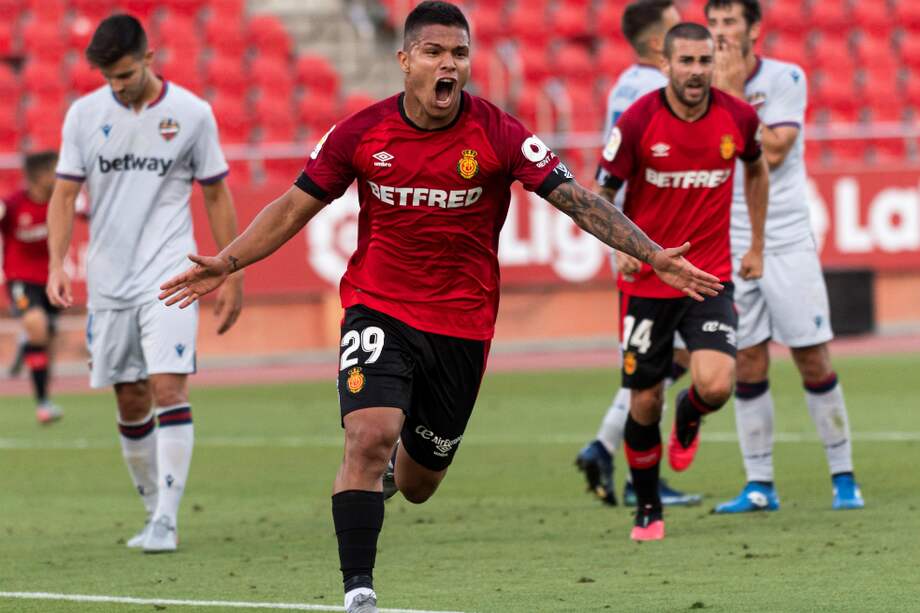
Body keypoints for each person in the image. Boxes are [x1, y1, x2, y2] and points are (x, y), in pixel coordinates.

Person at [158, 3, 722, 610]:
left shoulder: (500, 134)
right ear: (405, 62)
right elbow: (295, 207)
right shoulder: (361, 132)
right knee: (368, 436)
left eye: (458, 53)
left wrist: (653, 253)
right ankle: (359, 589)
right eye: (434, 52)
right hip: (379, 307)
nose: (448, 65)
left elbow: (578, 200)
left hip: (463, 325)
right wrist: (230, 260)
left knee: (419, 483)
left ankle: (402, 466)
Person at [46, 14, 244, 553]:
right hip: (109, 282)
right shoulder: (83, 115)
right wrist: (57, 263)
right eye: (110, 78)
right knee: (131, 399)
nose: (118, 85)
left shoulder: (192, 114)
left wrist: (230, 269)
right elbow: (63, 195)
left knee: (167, 388)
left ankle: (167, 520)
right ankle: (153, 509)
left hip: (169, 274)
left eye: (126, 74)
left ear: (150, 58)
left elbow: (217, 193)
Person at [595, 22, 769, 541]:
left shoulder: (738, 117)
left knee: (716, 385)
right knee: (645, 402)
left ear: (714, 64)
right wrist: (619, 250)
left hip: (708, 276)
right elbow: (602, 194)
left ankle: (690, 414)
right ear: (665, 64)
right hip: (647, 281)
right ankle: (648, 505)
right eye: (686, 61)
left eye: (704, 61)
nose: (696, 71)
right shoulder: (637, 120)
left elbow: (757, 170)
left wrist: (756, 244)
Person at [705, 0, 863, 513]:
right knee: (747, 360)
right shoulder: (694, 84)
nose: (721, 33)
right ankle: (759, 485)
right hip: (727, 235)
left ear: (754, 29)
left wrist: (728, 94)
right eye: (714, 23)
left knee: (810, 355)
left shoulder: (785, 78)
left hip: (785, 234)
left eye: (731, 22)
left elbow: (772, 151)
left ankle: (844, 477)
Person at [575, 0, 703, 509]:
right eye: (677, 34)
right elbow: (628, 170)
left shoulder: (625, 83)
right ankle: (628, 467)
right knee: (658, 361)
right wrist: (634, 246)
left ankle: (606, 447)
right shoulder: (652, 91)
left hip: (637, 237)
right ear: (658, 45)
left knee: (668, 356)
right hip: (646, 240)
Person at [1, 151, 63, 423]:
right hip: (20, 278)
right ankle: (43, 405)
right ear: (40, 176)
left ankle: (27, 344)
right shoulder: (13, 204)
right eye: (54, 171)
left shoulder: (61, 201)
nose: (60, 175)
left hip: (51, 279)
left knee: (46, 339)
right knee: (37, 325)